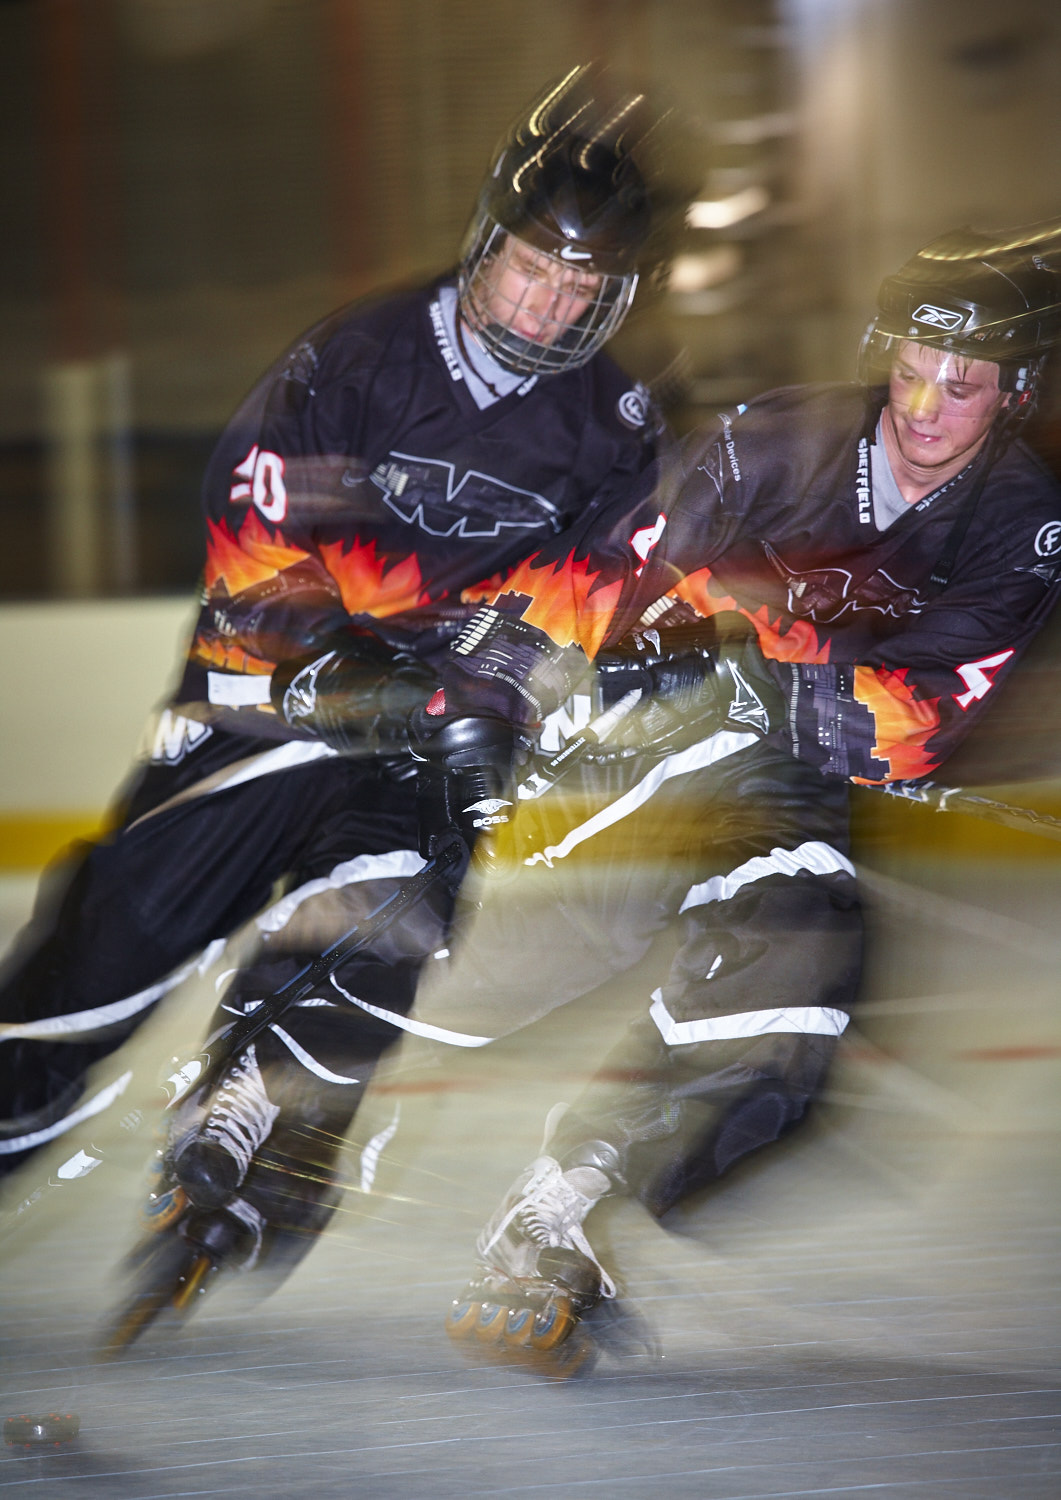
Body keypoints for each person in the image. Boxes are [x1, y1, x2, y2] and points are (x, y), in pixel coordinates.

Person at [0, 62, 683, 1269]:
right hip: (266, 713)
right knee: (105, 945)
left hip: (429, 735)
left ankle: (257, 1132)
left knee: (388, 911)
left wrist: (508, 679)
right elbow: (255, 558)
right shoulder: (355, 362)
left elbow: (572, 601)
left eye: (579, 287)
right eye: (531, 267)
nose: (543, 308)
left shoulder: (613, 427)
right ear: (486, 244)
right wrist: (342, 672)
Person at [410, 219, 1061, 1353]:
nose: (921, 411)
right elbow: (609, 572)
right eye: (907, 374)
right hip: (632, 762)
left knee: (790, 1045)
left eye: (960, 388)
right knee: (509, 972)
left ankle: (565, 1191)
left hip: (777, 778)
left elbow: (915, 723)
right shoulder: (773, 441)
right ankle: (287, 1082)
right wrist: (515, 659)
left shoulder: (1024, 525)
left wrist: (752, 666)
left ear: (1014, 393)